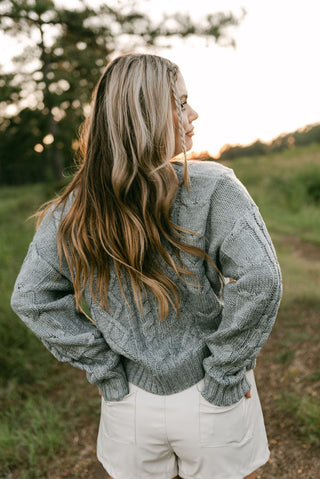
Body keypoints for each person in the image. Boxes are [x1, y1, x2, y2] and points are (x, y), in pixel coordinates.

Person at [11, 53, 282, 479]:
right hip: (212, 398)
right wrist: (227, 371)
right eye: (180, 102)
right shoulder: (215, 188)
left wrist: (104, 369)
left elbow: (31, 298)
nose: (193, 113)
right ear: (146, 115)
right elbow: (261, 280)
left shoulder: (72, 209)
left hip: (127, 404)